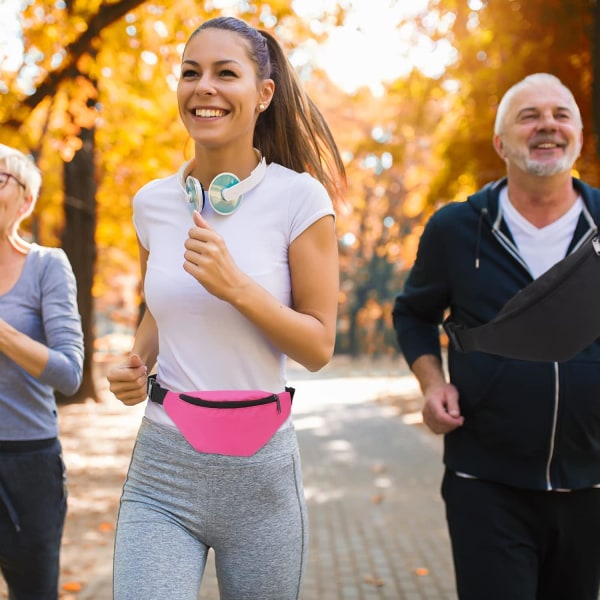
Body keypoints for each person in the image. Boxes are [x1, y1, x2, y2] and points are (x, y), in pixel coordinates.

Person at [107, 16, 345, 600]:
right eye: (191, 73)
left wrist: (236, 286)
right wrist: (135, 362)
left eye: (225, 73)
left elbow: (317, 347)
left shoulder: (299, 198)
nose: (203, 87)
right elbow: (162, 306)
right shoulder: (154, 204)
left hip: (261, 476)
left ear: (263, 94)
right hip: (162, 468)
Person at [392, 73, 600, 600]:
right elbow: (413, 313)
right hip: (485, 481)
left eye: (561, 114)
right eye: (529, 116)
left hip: (593, 482)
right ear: (500, 142)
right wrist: (431, 383)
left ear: (579, 134)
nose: (547, 125)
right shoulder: (457, 228)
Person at [0, 144, 84, 599]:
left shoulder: (47, 266)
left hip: (28, 464)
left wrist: (4, 335)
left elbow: (70, 373)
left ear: (26, 200)